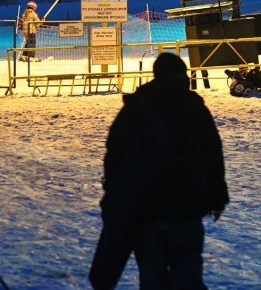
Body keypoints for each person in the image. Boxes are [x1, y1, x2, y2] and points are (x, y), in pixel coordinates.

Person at [89, 52, 229, 290]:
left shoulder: (136, 106)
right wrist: (217, 195)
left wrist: (115, 190)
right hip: (186, 205)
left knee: (153, 276)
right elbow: (212, 152)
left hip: (145, 208)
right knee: (187, 273)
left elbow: (115, 151)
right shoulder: (192, 106)